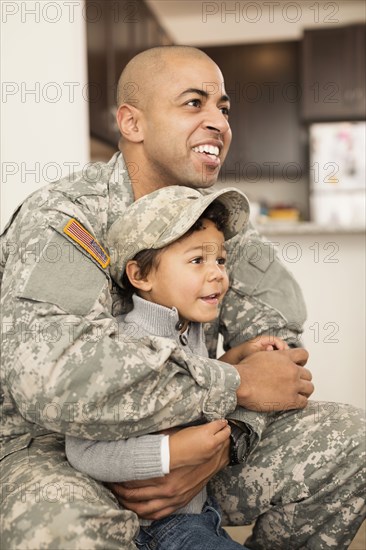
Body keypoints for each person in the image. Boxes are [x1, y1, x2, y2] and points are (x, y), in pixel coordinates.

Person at [0, 45, 364, 549]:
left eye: (223, 107)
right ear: (132, 123)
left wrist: (226, 440)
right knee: (62, 531)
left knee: (351, 439)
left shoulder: (222, 225)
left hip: (196, 434)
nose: (218, 120)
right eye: (194, 103)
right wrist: (233, 383)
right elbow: (54, 380)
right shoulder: (66, 219)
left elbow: (281, 354)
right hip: (56, 450)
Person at [65, 185, 289, 550]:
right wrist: (171, 452)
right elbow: (83, 450)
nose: (217, 274)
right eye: (198, 261)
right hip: (161, 527)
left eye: (221, 260)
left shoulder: (187, 325)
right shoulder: (126, 347)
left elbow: (192, 382)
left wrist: (238, 359)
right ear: (141, 276)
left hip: (203, 511)